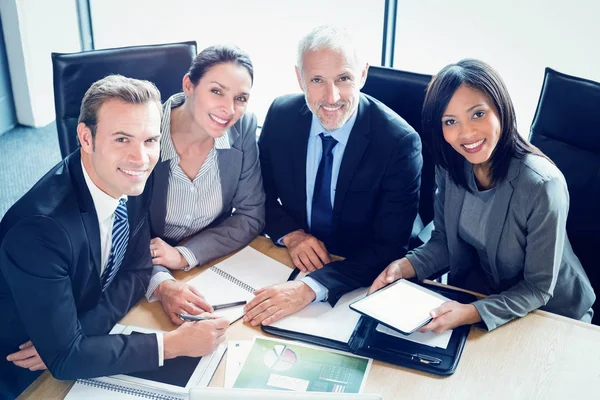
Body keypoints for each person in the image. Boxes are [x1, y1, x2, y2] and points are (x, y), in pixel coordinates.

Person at [0, 75, 229, 398]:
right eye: (122, 139)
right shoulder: (40, 232)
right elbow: (65, 360)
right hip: (19, 371)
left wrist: (77, 336)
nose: (141, 157)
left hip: (70, 337)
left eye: (150, 140)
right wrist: (172, 345)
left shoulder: (132, 176)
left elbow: (136, 271)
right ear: (86, 138)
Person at [369, 59, 595, 332]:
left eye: (477, 114)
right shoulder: (452, 164)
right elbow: (444, 242)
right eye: (450, 121)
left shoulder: (542, 185)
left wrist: (472, 312)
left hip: (550, 316)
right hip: (482, 297)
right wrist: (403, 267)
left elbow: (537, 289)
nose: (466, 133)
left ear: (500, 109)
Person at [243, 25, 422, 326]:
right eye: (317, 80)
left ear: (363, 74)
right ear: (299, 78)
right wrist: (293, 235)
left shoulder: (399, 143)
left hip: (359, 277)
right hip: (287, 262)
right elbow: (259, 194)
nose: (332, 97)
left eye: (344, 78)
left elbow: (389, 247)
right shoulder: (281, 114)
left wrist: (310, 288)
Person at [144, 45, 265, 325]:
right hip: (138, 273)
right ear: (189, 85)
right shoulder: (144, 133)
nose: (229, 109)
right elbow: (118, 231)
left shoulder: (242, 127)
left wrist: (184, 255)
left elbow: (251, 215)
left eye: (241, 98)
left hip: (209, 266)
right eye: (216, 91)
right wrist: (161, 281)